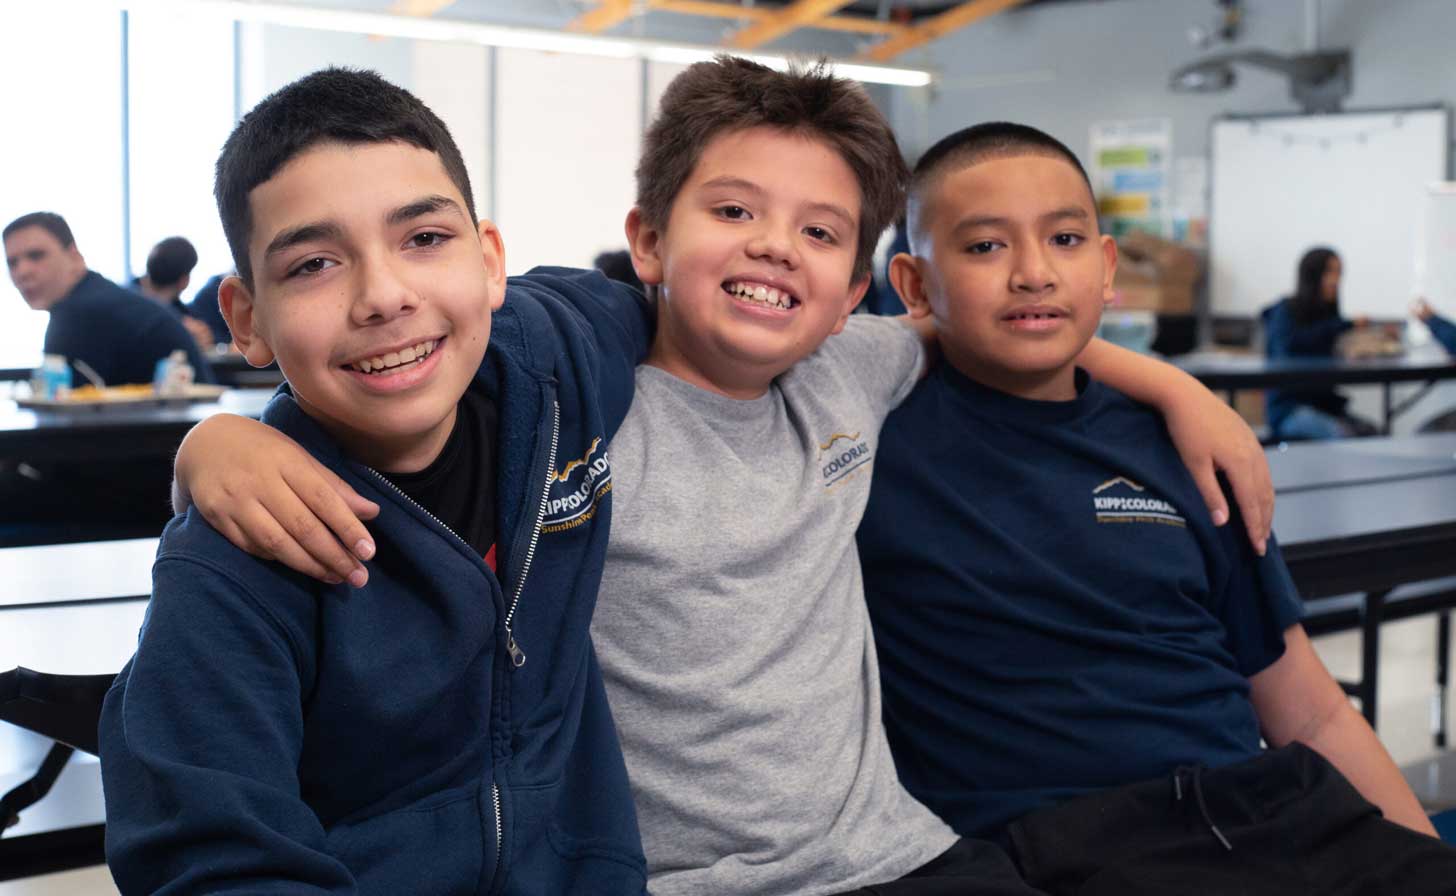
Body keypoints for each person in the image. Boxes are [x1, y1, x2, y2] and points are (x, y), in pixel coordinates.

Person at [167, 57, 1275, 895]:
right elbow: (427, 364)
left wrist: (1172, 386)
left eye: (819, 231)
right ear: (648, 241)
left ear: (859, 290)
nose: (774, 247)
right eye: (733, 211)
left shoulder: (855, 365)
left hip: (901, 854)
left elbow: (994, 324)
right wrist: (225, 436)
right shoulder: (569, 396)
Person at [857, 122, 1456, 895]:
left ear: (1107, 267)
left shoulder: (1192, 449)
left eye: (1066, 239)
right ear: (911, 285)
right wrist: (1173, 380)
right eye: (984, 248)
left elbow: (1312, 715)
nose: (1034, 273)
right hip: (1058, 848)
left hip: (1269, 814)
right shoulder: (860, 437)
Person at [97, 69, 651, 894]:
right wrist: (211, 444)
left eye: (424, 239)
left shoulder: (557, 358)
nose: (384, 296)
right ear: (246, 320)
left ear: (489, 262)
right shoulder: (238, 560)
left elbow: (665, 307)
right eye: (314, 263)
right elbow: (209, 856)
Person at [3, 212, 214, 386]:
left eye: (36, 255)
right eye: (12, 263)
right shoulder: (98, 297)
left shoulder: (77, 313)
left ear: (74, 256)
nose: (22, 271)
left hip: (178, 433)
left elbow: (59, 412)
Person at [1261, 247, 1378, 439]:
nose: (1335, 280)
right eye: (1329, 272)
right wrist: (1345, 325)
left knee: (1371, 432)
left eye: (1339, 273)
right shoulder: (1285, 310)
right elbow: (1291, 346)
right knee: (1342, 435)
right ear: (1312, 275)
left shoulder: (1330, 315)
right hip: (1289, 409)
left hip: (1324, 406)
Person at [131, 235, 216, 351]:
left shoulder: (185, 314)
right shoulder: (126, 306)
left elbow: (210, 341)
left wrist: (203, 341)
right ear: (184, 281)